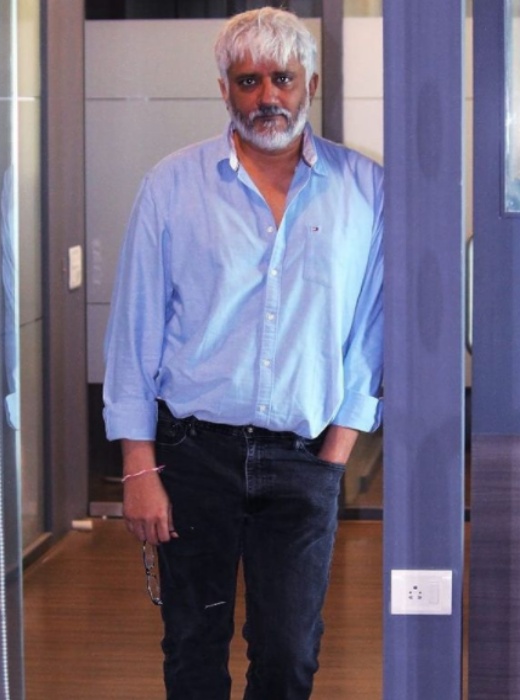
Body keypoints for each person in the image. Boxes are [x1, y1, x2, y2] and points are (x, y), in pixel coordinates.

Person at [103, 7, 383, 700]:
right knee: (193, 650)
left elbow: (370, 330)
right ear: (225, 89)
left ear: (310, 83)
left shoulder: (365, 190)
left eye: (282, 78)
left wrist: (337, 452)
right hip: (192, 455)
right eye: (248, 80)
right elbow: (135, 329)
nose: (267, 97)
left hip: (304, 460)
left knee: (289, 656)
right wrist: (139, 466)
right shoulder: (172, 185)